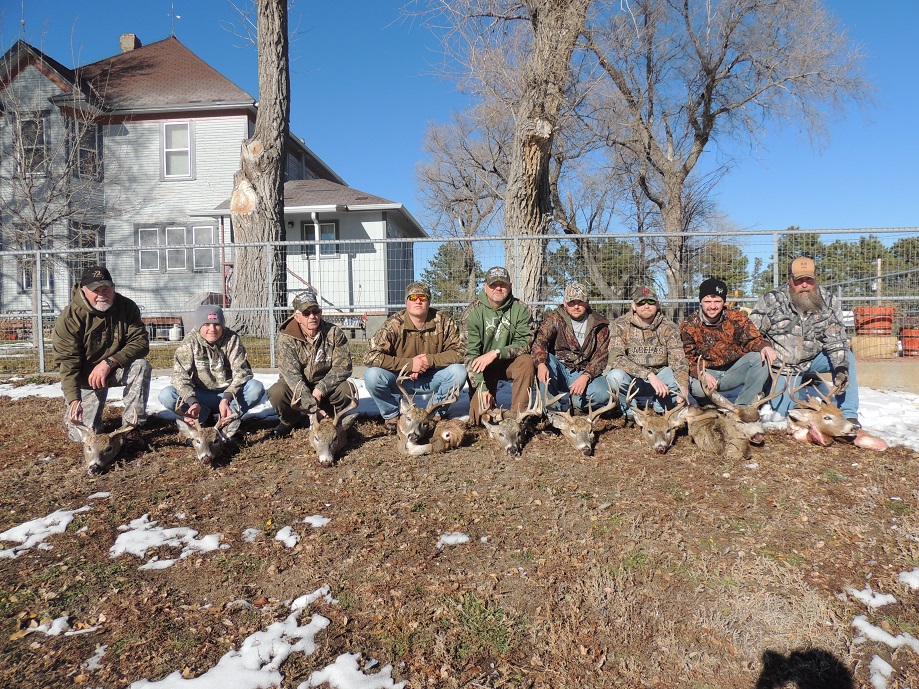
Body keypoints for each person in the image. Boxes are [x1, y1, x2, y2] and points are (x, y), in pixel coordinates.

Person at [748, 256, 860, 427]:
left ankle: (849, 414)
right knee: (784, 415)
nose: (805, 285)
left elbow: (836, 339)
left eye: (809, 279)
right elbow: (751, 333)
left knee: (847, 358)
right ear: (790, 280)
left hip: (814, 359)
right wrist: (763, 345)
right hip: (783, 367)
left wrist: (840, 369)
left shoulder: (828, 301)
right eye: (799, 280)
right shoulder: (772, 301)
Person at [52, 265, 152, 437]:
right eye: (95, 290)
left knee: (141, 366)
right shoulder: (69, 318)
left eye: (106, 289)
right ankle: (74, 411)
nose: (101, 294)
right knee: (83, 435)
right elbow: (68, 363)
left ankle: (132, 428)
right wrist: (74, 399)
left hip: (115, 368)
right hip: (86, 377)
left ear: (113, 288)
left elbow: (140, 343)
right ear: (83, 290)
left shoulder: (127, 307)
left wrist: (110, 362)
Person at [363, 281, 467, 431]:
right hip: (400, 379)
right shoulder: (393, 324)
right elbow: (370, 356)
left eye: (423, 298)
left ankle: (434, 414)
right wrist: (409, 364)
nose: (418, 301)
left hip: (432, 377)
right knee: (372, 375)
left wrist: (429, 361)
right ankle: (392, 415)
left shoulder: (443, 322)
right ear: (406, 301)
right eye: (413, 298)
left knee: (459, 372)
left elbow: (461, 351)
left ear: (429, 301)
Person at [158, 305, 264, 431]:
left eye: (217, 324)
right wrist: (193, 402)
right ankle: (201, 419)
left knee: (255, 388)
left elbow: (242, 372)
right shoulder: (189, 342)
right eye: (207, 324)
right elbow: (180, 377)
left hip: (229, 396)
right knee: (167, 395)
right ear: (199, 326)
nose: (212, 329)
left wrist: (227, 398)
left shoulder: (232, 339)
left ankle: (227, 421)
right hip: (200, 396)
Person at [267, 292, 354, 438]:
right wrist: (313, 406)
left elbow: (343, 366)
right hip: (298, 387)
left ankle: (332, 419)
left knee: (347, 390)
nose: (312, 316)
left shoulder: (334, 333)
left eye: (316, 311)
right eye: (306, 313)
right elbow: (292, 376)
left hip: (325, 387)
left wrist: (321, 389)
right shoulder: (286, 338)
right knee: (277, 392)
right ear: (297, 317)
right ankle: (290, 421)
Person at [679, 278, 776, 405]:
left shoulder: (736, 317)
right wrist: (701, 373)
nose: (712, 306)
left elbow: (752, 339)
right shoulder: (689, 325)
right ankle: (709, 409)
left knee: (759, 358)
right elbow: (687, 358)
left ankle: (743, 408)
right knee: (697, 388)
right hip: (707, 374)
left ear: (724, 301)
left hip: (733, 371)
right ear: (701, 302)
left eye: (717, 301)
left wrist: (764, 346)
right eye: (707, 301)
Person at [460, 266, 536, 426]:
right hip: (483, 368)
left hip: (509, 362)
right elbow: (470, 354)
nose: (498, 288)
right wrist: (482, 387)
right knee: (480, 420)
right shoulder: (472, 313)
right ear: (485, 287)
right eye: (493, 285)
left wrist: (497, 352)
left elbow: (525, 343)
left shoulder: (521, 309)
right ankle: (488, 410)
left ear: (509, 286)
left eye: (503, 284)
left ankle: (518, 416)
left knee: (527, 361)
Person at [605, 285, 689, 414]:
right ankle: (630, 412)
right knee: (614, 376)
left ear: (658, 304)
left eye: (651, 302)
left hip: (660, 379)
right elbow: (616, 358)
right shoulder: (620, 325)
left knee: (677, 379)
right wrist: (648, 375)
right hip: (634, 380)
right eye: (641, 302)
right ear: (634, 306)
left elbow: (678, 360)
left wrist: (683, 386)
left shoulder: (669, 327)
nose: (646, 306)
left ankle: (661, 407)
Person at [531, 282, 611, 412]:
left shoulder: (599, 324)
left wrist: (586, 376)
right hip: (559, 368)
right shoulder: (555, 318)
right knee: (547, 361)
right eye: (572, 302)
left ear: (587, 302)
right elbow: (539, 342)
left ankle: (577, 404)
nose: (576, 306)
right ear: (564, 303)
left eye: (580, 302)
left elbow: (601, 357)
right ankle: (553, 411)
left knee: (603, 395)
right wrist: (541, 364)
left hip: (584, 371)